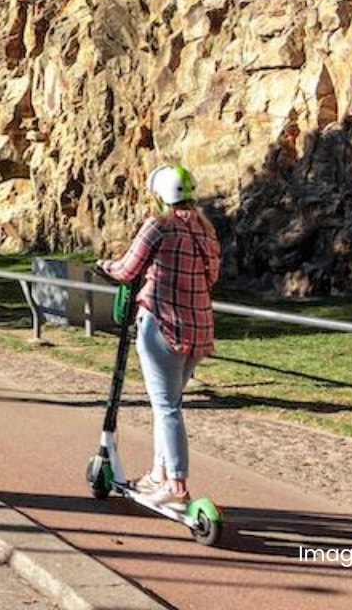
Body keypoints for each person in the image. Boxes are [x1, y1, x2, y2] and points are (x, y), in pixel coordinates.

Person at [97, 163, 221, 508]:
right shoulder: (206, 230)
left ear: (161, 196)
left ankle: (177, 486)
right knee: (169, 404)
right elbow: (212, 278)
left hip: (161, 325)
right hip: (197, 328)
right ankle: (158, 475)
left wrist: (103, 266)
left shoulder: (158, 227)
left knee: (167, 408)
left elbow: (126, 270)